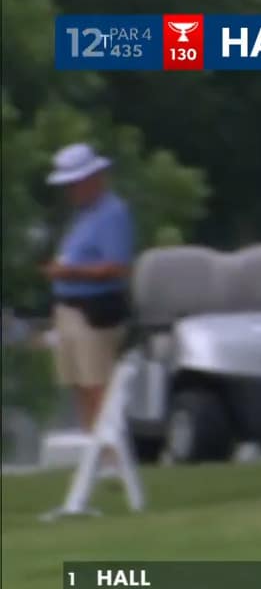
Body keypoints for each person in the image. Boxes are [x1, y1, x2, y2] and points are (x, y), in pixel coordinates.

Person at [40, 142, 136, 429]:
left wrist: (70, 273)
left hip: (94, 312)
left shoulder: (112, 213)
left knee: (97, 383)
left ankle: (109, 451)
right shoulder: (82, 215)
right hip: (69, 309)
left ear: (92, 179)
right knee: (79, 383)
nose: (70, 191)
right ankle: (91, 446)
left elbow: (117, 266)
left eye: (74, 184)